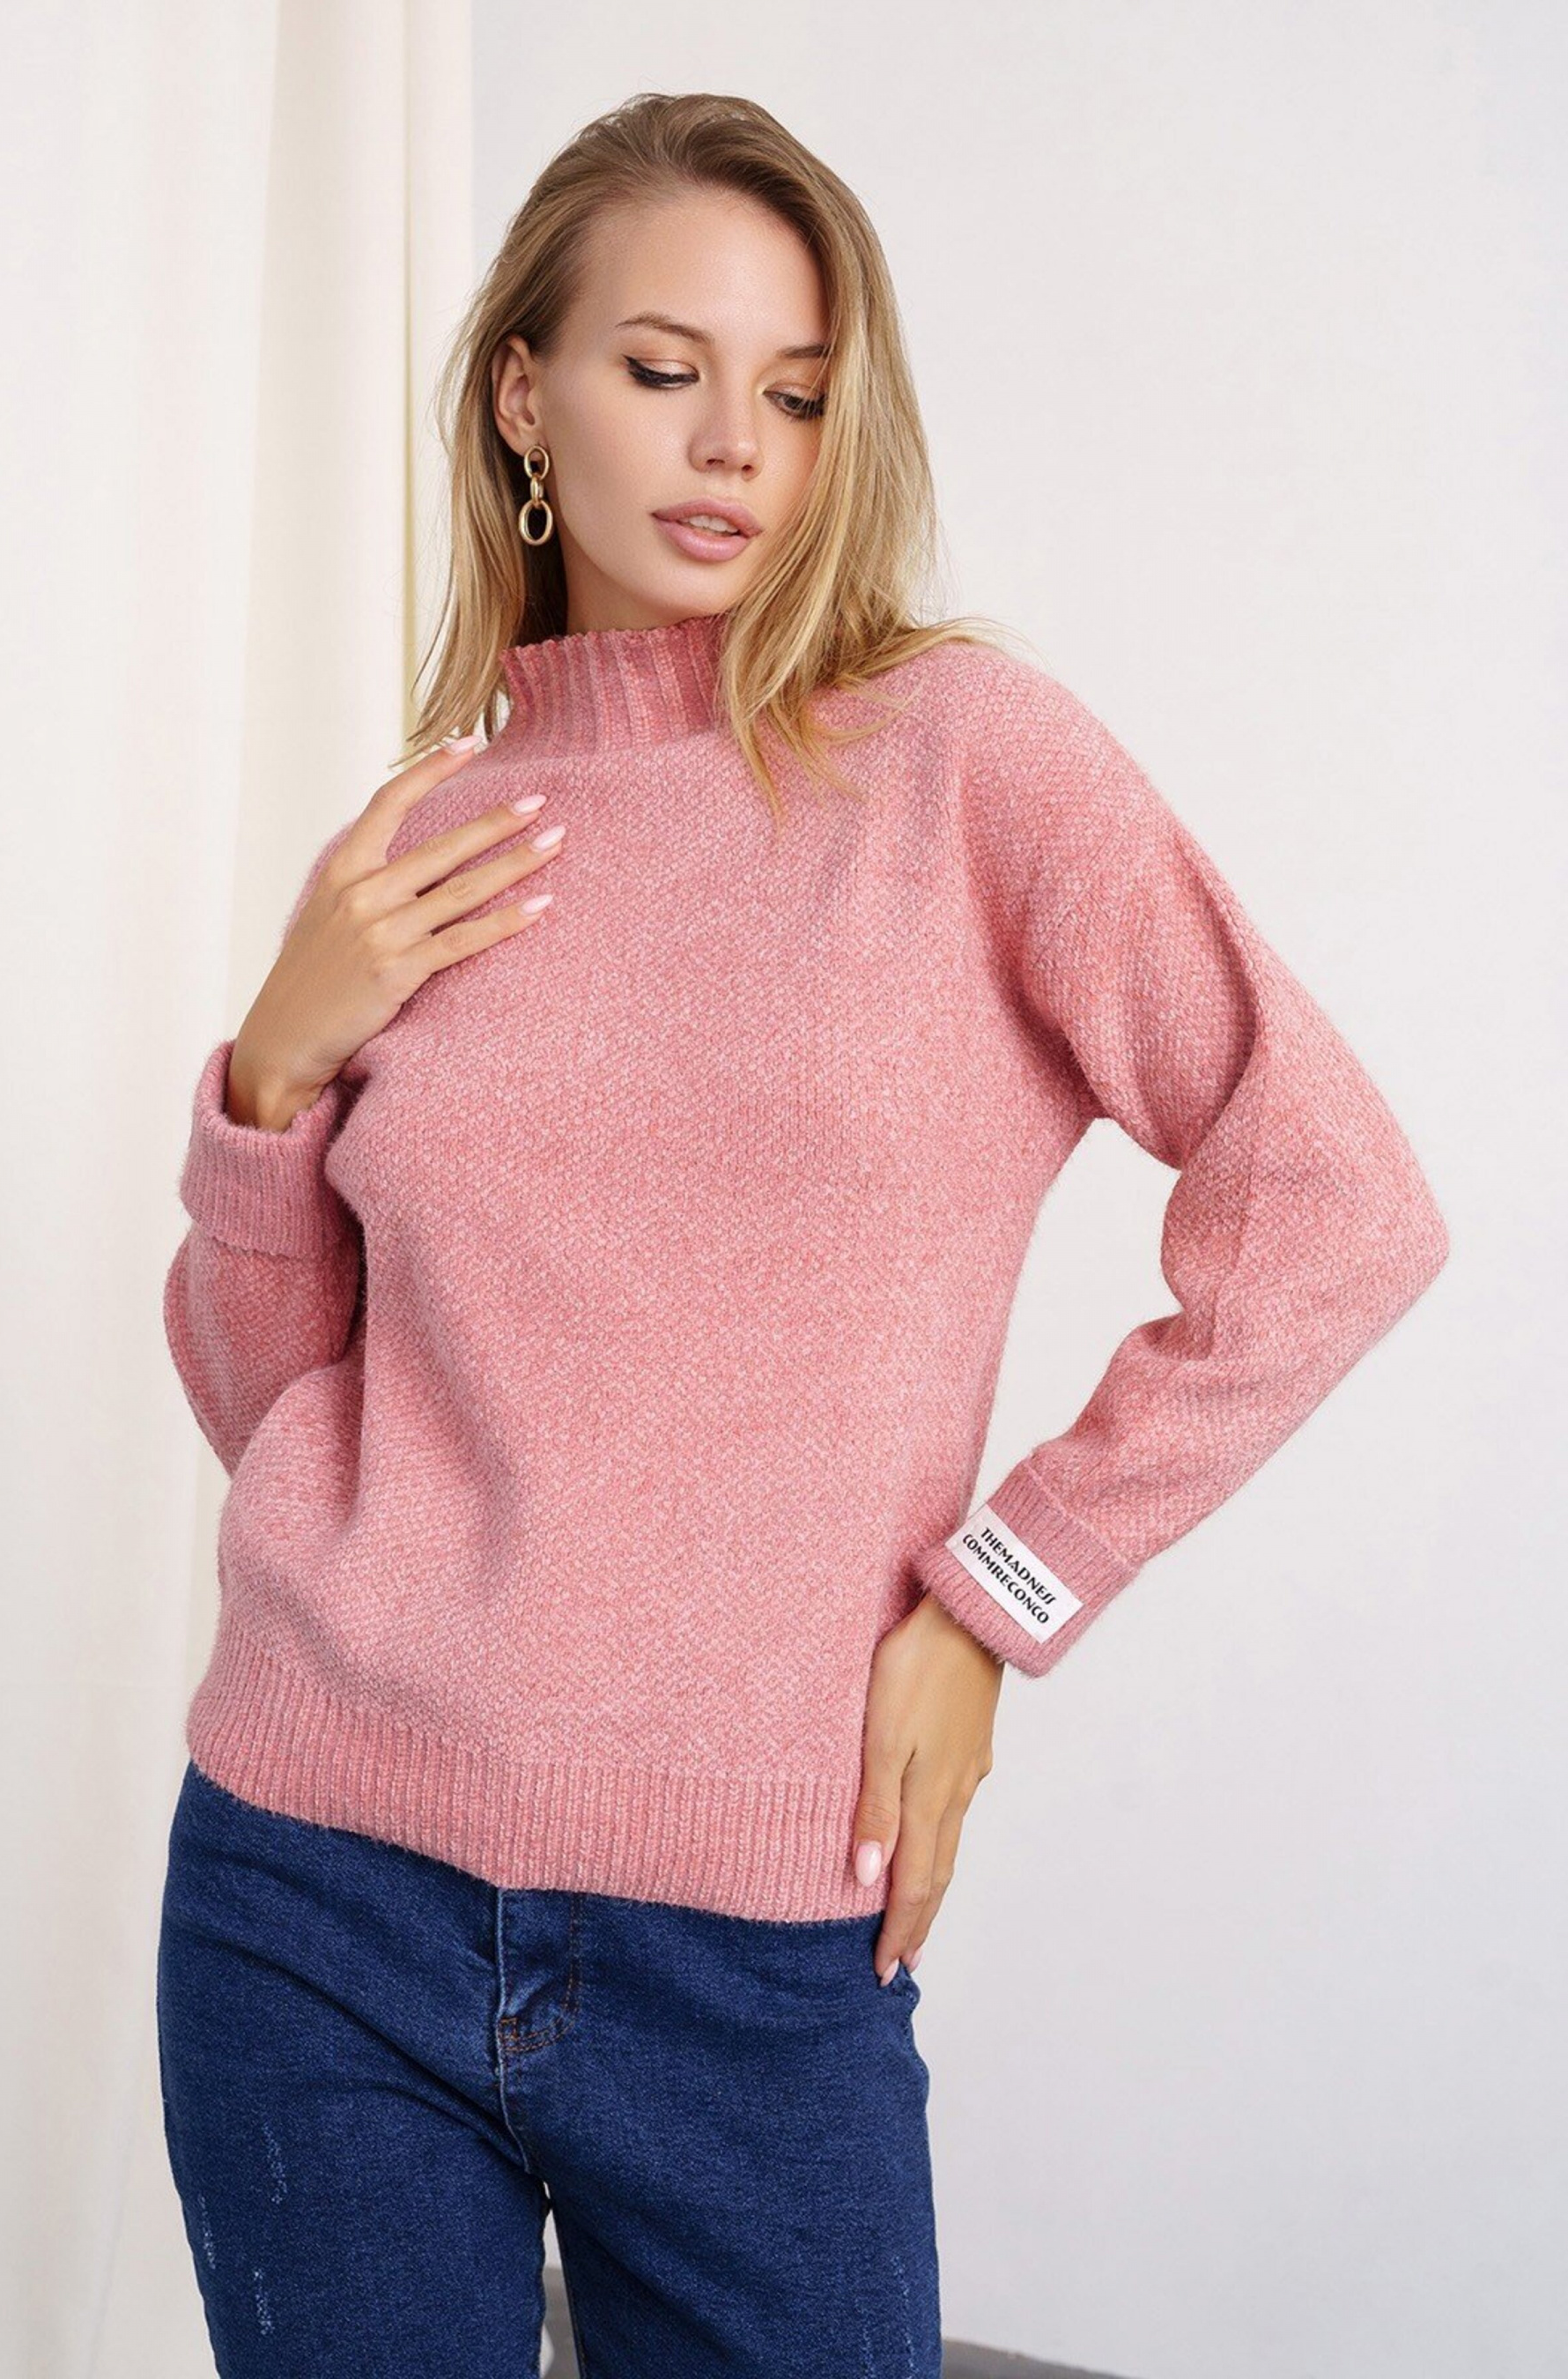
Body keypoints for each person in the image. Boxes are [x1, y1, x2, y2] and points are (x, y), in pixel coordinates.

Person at [154, 91, 1448, 2379]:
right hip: (314, 1889)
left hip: (753, 1944)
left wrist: (1000, 1596)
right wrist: (270, 1074)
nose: (733, 444)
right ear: (523, 394)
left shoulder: (965, 765)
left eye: (799, 389)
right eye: (663, 368)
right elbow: (288, 1421)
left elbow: (1335, 1198)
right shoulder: (428, 846)